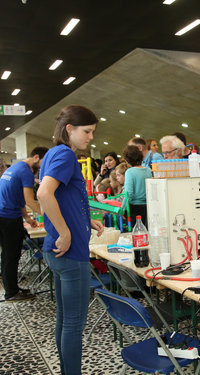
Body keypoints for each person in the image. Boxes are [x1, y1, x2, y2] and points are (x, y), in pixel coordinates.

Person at [37, 105, 104, 375]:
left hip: (55, 250)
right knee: (74, 324)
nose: (90, 137)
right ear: (69, 129)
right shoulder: (64, 154)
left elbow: (61, 198)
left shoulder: (52, 154)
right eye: (86, 131)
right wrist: (66, 232)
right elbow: (44, 195)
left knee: (65, 320)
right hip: (70, 250)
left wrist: (84, 219)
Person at [0, 146, 49, 302]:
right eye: (42, 162)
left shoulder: (15, 168)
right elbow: (29, 200)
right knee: (11, 255)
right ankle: (11, 292)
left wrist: (27, 218)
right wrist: (48, 215)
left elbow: (18, 197)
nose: (42, 167)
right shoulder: (26, 172)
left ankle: (12, 288)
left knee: (8, 255)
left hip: (4, 215)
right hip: (8, 218)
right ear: (36, 157)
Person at [122, 145, 151, 228]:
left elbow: (129, 194)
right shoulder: (148, 170)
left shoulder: (130, 172)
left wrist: (122, 209)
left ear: (127, 160)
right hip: (147, 207)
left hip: (134, 209)